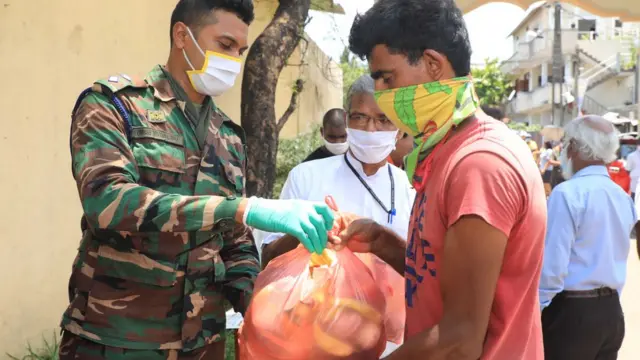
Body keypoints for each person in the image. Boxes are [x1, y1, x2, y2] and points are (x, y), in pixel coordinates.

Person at [59, 1, 335, 359]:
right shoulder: (114, 106)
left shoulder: (229, 137)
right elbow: (108, 203)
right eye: (224, 45)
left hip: (203, 342)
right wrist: (242, 208)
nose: (234, 59)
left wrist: (263, 307)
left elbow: (234, 242)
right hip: (118, 338)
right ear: (181, 36)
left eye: (240, 50)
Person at [337, 0, 547, 358]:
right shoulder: (446, 151)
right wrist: (380, 242)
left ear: (433, 64)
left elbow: (459, 339)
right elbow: (443, 275)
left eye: (388, 78)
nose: (385, 97)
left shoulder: (480, 165)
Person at [261, 74, 415, 356]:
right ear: (346, 119)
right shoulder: (307, 177)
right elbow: (268, 259)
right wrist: (304, 230)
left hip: (392, 346)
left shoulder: (408, 189)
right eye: (360, 117)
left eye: (383, 120)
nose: (371, 129)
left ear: (399, 127)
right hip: (314, 342)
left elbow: (420, 270)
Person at [540, 116, 636, 360]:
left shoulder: (567, 194)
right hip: (610, 311)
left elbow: (552, 269)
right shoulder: (620, 196)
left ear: (573, 147)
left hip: (571, 312)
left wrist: (537, 310)